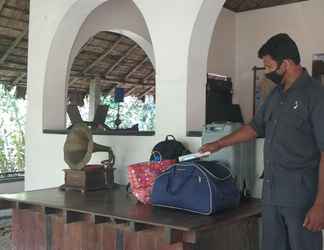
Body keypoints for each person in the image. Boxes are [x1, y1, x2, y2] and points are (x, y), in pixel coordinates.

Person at [200, 33, 324, 250]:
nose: (266, 73)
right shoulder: (275, 95)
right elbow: (253, 128)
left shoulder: (315, 96)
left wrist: (321, 204)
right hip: (271, 193)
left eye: (268, 67)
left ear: (285, 64)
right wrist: (219, 144)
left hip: (301, 198)